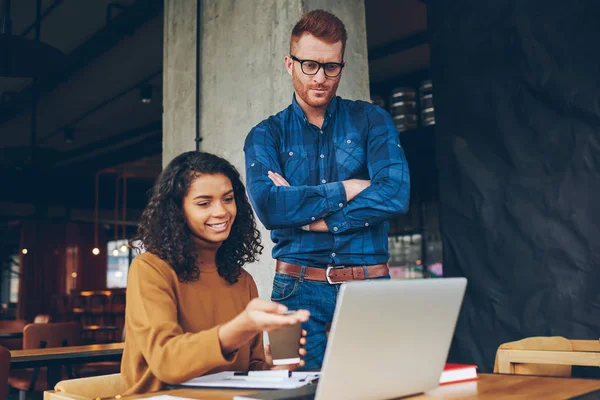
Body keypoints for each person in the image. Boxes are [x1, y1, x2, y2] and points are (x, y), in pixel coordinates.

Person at [244, 10, 410, 370]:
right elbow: (271, 207)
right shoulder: (265, 135)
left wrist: (310, 219)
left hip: (370, 286)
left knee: (378, 389)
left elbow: (395, 193)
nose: (320, 78)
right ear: (289, 64)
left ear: (342, 66)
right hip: (295, 289)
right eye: (309, 65)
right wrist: (349, 187)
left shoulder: (372, 120)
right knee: (294, 393)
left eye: (330, 67)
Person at [121, 151, 310, 394]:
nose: (221, 211)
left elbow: (247, 368)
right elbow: (167, 362)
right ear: (178, 210)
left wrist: (270, 367)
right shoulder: (150, 269)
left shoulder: (242, 280)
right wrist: (241, 327)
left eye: (228, 199)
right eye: (204, 203)